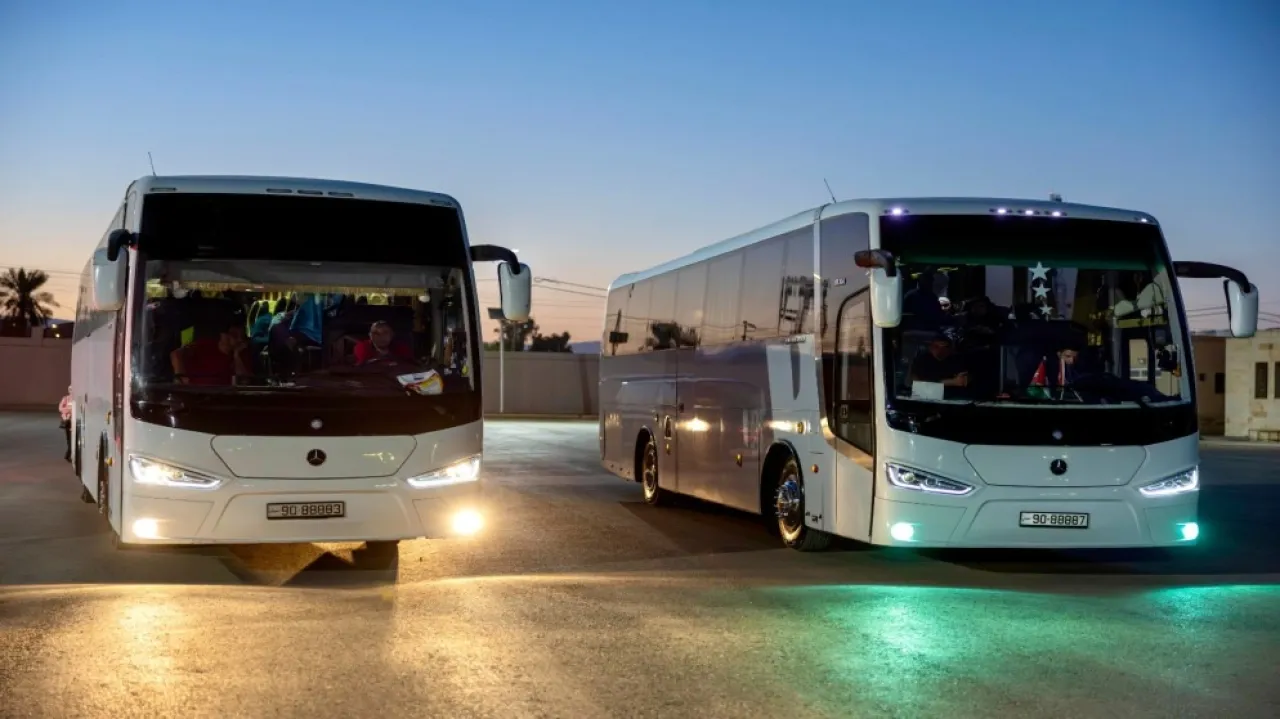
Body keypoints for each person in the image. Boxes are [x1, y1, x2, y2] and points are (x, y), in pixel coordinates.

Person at [170, 322, 250, 385]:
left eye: (242, 336)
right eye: (235, 335)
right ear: (223, 335)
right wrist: (181, 378)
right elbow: (176, 354)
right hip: (195, 392)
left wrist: (236, 356)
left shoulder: (242, 354)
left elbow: (244, 382)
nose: (240, 340)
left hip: (224, 396)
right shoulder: (203, 345)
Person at [58, 386, 72, 462]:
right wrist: (69, 410)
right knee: (69, 439)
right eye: (70, 389)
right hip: (68, 421)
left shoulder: (75, 399)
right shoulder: (65, 399)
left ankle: (68, 454)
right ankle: (68, 454)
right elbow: (61, 408)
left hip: (73, 421)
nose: (71, 391)